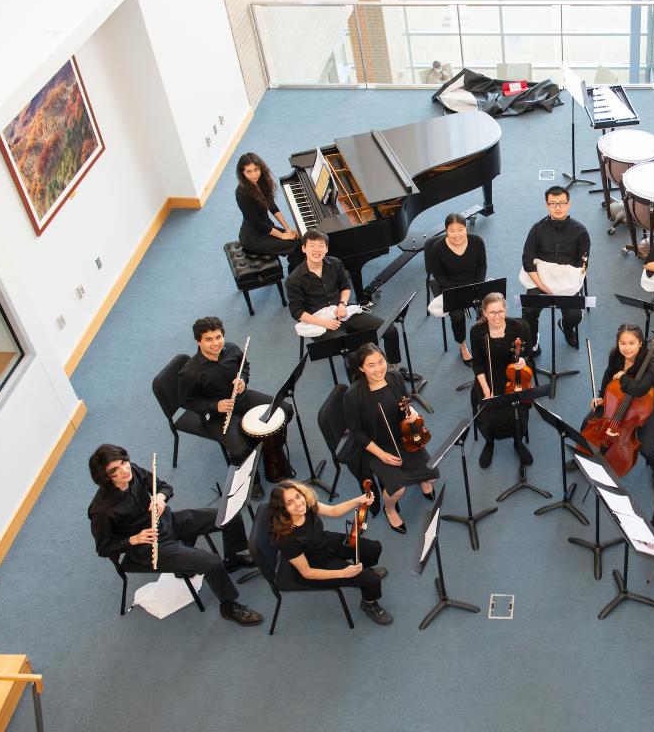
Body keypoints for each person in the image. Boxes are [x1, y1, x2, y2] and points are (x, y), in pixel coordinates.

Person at [87, 444, 263, 626]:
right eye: (115, 470)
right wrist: (135, 539)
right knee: (210, 562)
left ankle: (232, 560)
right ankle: (229, 606)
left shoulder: (134, 471)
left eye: (124, 462)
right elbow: (104, 548)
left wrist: (160, 497)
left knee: (228, 516)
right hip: (148, 547)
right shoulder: (101, 511)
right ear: (106, 478)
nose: (124, 470)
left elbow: (164, 486)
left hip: (167, 521)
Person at [177, 316, 293, 496]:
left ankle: (269, 447)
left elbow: (244, 366)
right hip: (216, 414)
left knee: (284, 410)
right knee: (241, 450)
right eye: (209, 339)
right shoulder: (190, 373)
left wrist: (243, 381)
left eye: (218, 337)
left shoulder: (231, 348)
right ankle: (250, 480)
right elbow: (186, 401)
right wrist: (215, 405)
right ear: (198, 342)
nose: (216, 343)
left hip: (242, 398)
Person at [286, 230, 412, 378]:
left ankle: (393, 370)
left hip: (341, 311)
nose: (316, 250)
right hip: (317, 320)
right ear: (304, 248)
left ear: (326, 248)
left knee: (389, 329)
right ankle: (360, 384)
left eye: (321, 246)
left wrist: (342, 304)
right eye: (312, 246)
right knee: (351, 352)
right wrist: (324, 322)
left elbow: (345, 287)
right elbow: (297, 313)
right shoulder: (294, 279)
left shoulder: (334, 263)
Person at [343, 343, 438, 534]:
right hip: (376, 446)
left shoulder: (394, 377)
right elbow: (357, 434)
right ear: (361, 368)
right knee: (397, 490)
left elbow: (405, 402)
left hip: (404, 436)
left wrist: (410, 413)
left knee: (432, 473)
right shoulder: (353, 395)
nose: (379, 369)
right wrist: (382, 455)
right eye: (371, 365)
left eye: (381, 361)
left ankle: (423, 479)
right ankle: (390, 509)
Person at [269, 480, 392, 625]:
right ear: (282, 509)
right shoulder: (287, 539)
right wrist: (343, 573)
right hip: (316, 566)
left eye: (298, 496)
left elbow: (334, 511)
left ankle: (362, 573)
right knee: (372, 580)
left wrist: (359, 499)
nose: (298, 503)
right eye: (289, 503)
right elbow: (307, 572)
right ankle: (369, 603)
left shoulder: (308, 505)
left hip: (324, 542)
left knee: (373, 549)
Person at [581, 324, 654, 484]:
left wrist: (622, 377)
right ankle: (586, 451)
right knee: (588, 422)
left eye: (632, 343)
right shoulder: (616, 355)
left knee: (647, 448)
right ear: (618, 343)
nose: (627, 348)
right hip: (618, 397)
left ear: (641, 343)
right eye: (623, 343)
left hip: (649, 403)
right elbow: (608, 376)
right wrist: (602, 397)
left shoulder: (652, 361)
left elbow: (639, 389)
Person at [521, 185, 590, 352]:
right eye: (553, 204)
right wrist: (543, 287)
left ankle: (566, 327)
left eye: (561, 203)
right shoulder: (537, 229)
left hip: (567, 281)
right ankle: (533, 340)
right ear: (547, 205)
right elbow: (527, 260)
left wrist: (564, 281)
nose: (557, 207)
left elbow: (583, 263)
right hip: (541, 280)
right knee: (529, 312)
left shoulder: (581, 231)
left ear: (568, 204)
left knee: (574, 316)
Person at [470, 293, 535, 469]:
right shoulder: (477, 332)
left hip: (512, 376)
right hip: (487, 377)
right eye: (492, 312)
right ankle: (489, 442)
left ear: (505, 309)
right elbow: (477, 364)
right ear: (484, 312)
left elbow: (525, 354)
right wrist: (485, 390)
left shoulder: (517, 327)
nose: (497, 316)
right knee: (488, 415)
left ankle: (517, 441)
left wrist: (522, 361)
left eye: (500, 311)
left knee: (518, 412)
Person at [425, 213, 488, 366]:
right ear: (446, 230)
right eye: (452, 230)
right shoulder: (438, 247)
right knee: (458, 316)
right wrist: (452, 289)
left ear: (465, 228)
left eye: (460, 229)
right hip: (449, 285)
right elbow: (438, 274)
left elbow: (482, 266)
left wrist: (477, 286)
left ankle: (483, 339)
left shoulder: (477, 242)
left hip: (474, 283)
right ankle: (462, 345)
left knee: (486, 308)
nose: (457, 234)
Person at [233, 152, 300, 266]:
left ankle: (295, 266)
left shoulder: (262, 182)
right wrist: (283, 235)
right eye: (249, 171)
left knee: (299, 238)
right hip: (253, 237)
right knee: (296, 245)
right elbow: (257, 222)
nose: (254, 175)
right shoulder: (242, 193)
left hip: (267, 227)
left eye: (256, 170)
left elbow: (272, 207)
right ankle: (294, 275)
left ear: (261, 169)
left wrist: (287, 229)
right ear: (242, 173)